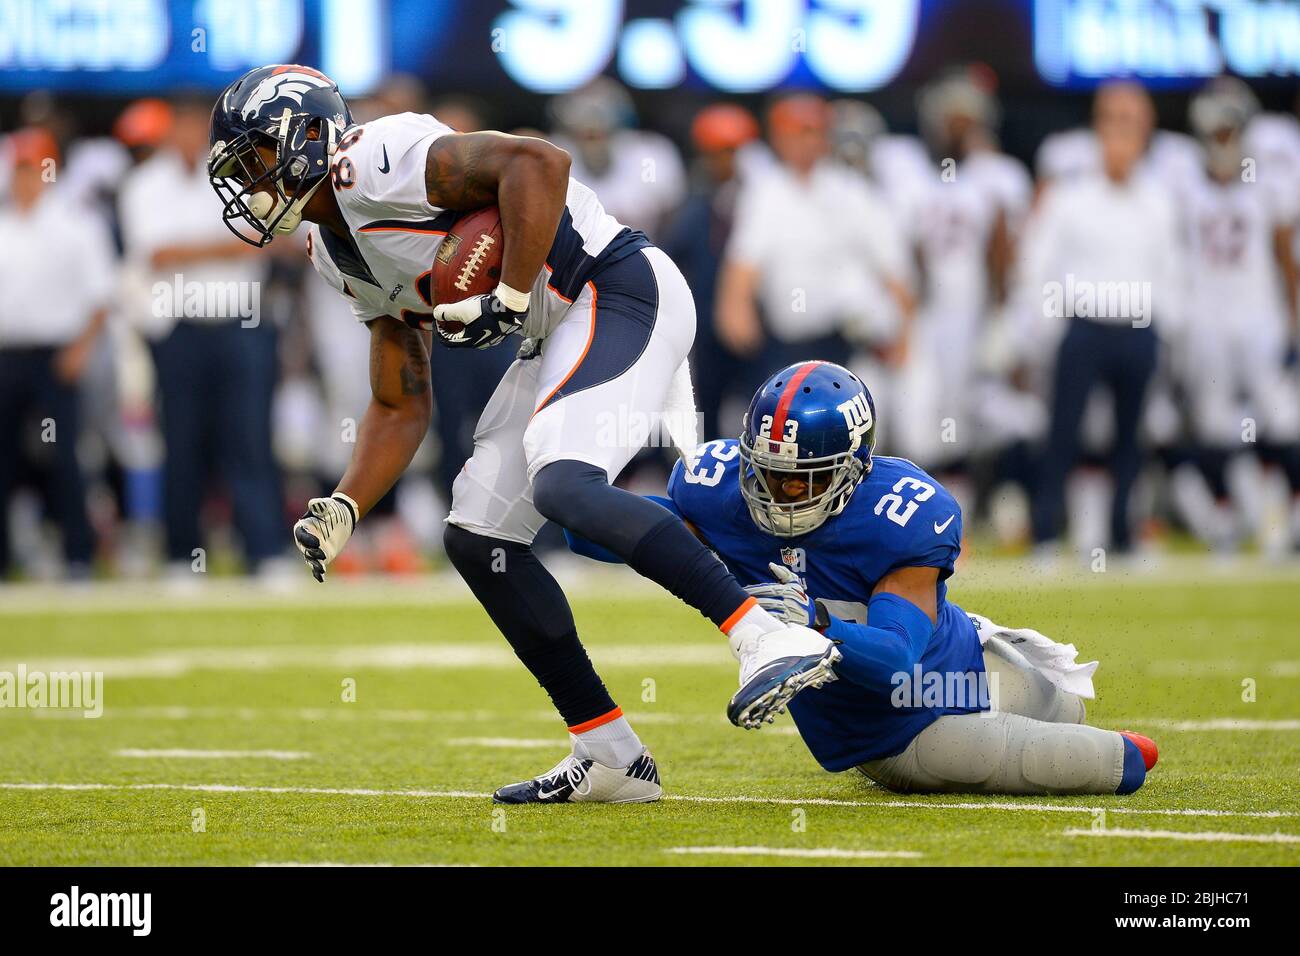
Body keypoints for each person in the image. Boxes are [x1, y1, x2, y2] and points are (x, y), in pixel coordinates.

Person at [207, 64, 836, 804]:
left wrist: (506, 293)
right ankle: (607, 753)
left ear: (308, 136)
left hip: (615, 284)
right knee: (478, 537)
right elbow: (400, 395)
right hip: (553, 328)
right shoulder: (327, 251)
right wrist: (346, 502)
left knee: (565, 482)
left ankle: (766, 630)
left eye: (254, 159)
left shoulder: (375, 162)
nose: (250, 185)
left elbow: (540, 162)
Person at [565, 361, 1159, 795]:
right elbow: (596, 533)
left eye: (801, 479)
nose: (779, 493)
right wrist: (578, 487)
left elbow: (897, 662)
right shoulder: (720, 495)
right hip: (898, 733)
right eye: (766, 472)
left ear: (852, 470)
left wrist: (816, 623)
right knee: (1119, 763)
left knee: (1071, 713)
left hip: (959, 662)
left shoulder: (898, 515)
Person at [119, 94, 283, 578]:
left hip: (240, 323)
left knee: (250, 438)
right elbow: (157, 255)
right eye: (184, 127)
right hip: (179, 327)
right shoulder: (144, 184)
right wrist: (227, 246)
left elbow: (266, 241)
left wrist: (202, 248)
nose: (192, 137)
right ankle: (181, 557)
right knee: (183, 442)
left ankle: (264, 552)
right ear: (170, 132)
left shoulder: (241, 172)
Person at [1017, 82, 1182, 556]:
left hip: (1137, 327)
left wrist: (1167, 332)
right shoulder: (1071, 197)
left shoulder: (1158, 200)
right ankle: (1045, 532)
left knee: (1132, 438)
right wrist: (1042, 329)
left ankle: (1122, 535)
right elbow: (1038, 262)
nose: (1121, 139)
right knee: (1062, 432)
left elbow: (1170, 270)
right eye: (1113, 125)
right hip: (1084, 325)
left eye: (1130, 126)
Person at [716, 93, 914, 400]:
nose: (805, 143)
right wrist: (735, 305)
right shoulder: (766, 192)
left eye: (812, 132)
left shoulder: (851, 191)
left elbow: (891, 266)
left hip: (847, 339)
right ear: (778, 138)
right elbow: (745, 260)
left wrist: (904, 332)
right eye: (796, 133)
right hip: (788, 342)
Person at [0, 128, 115, 579]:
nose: (26, 179)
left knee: (66, 455)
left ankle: (77, 556)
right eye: (20, 169)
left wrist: (80, 349)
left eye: (34, 169)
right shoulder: (4, 225)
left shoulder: (75, 224)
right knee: (3, 458)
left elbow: (101, 295)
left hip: (57, 354)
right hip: (8, 354)